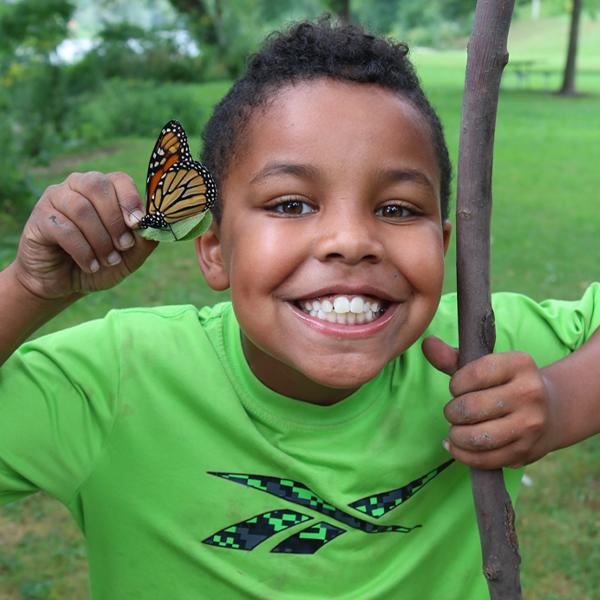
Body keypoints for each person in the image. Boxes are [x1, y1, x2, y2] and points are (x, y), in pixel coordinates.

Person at [1, 17, 599, 600]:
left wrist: (560, 402)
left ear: (442, 248)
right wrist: (29, 287)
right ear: (214, 252)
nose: (350, 239)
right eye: (290, 204)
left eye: (396, 209)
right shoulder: (116, 382)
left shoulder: (480, 352)